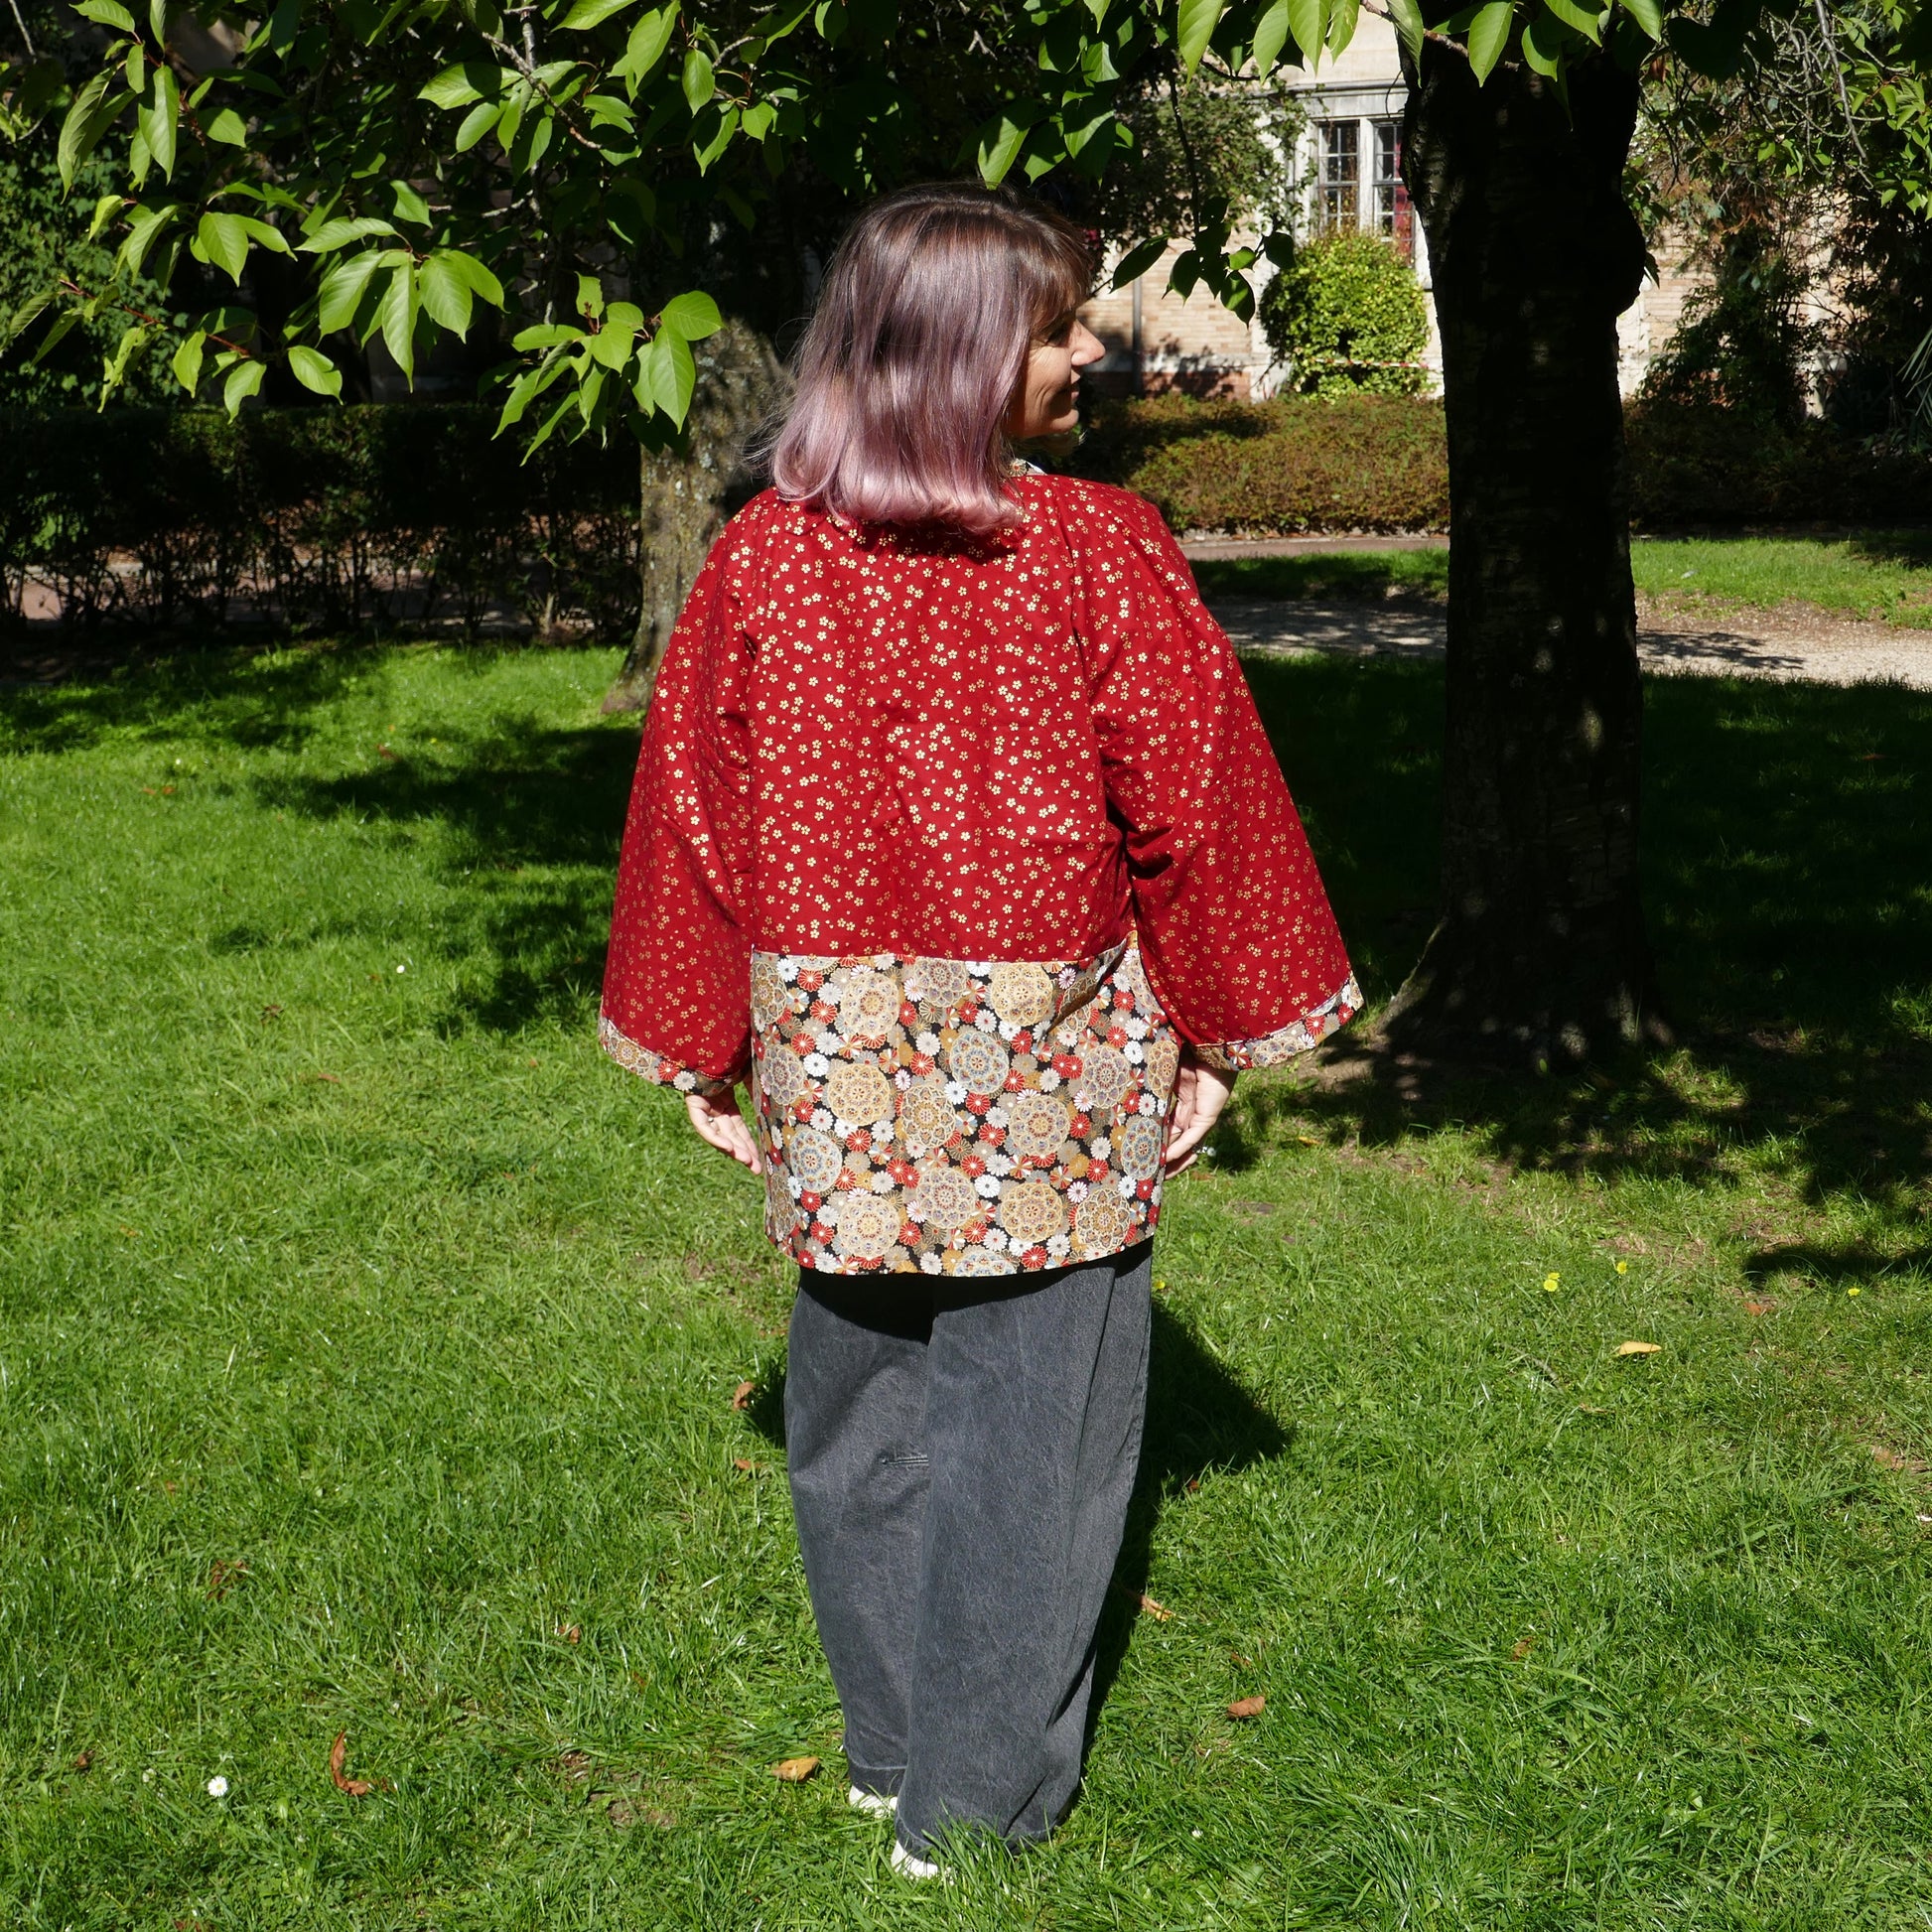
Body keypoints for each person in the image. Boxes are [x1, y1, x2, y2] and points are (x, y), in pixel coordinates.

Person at [599, 182, 1356, 1876]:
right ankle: (969, 1806)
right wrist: (1227, 1032)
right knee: (1031, 1430)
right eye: (1059, 324)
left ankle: (889, 1753)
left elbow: (686, 821)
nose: (1090, 351)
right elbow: (1199, 805)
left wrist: (704, 1039)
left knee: (858, 1408)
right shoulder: (1096, 549)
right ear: (952, 353)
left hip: (841, 1075)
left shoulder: (755, 567)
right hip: (1053, 1085)